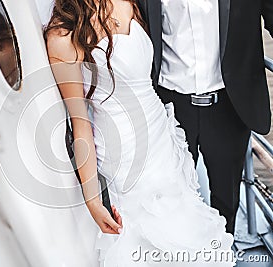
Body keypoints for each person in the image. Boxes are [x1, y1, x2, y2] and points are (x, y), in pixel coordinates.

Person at [44, 0, 236, 265]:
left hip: (162, 138)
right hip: (123, 154)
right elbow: (80, 124)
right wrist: (92, 200)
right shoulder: (62, 37)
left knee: (183, 223)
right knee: (143, 238)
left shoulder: (128, 3)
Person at [137, 0, 273, 234]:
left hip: (229, 107)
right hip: (170, 107)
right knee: (170, 197)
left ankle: (221, 253)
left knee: (226, 200)